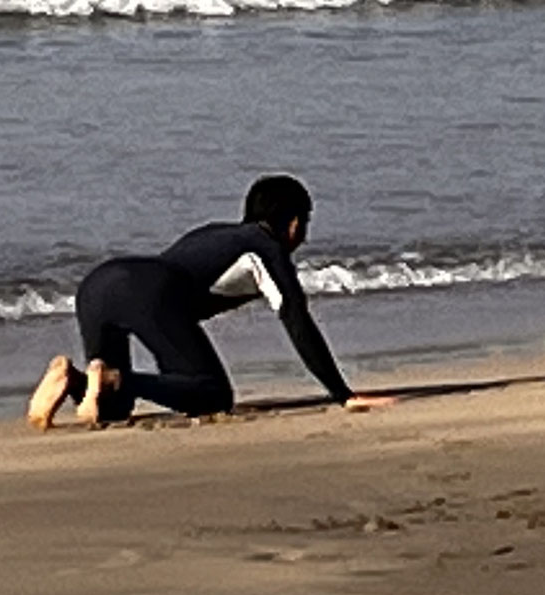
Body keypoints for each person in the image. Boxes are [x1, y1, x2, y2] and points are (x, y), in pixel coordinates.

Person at [26, 174, 392, 429]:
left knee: (113, 408)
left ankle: (72, 379)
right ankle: (107, 376)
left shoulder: (218, 234)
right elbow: (296, 318)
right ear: (294, 224)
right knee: (211, 394)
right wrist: (342, 395)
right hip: (149, 291)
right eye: (305, 223)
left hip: (97, 286)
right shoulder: (265, 247)